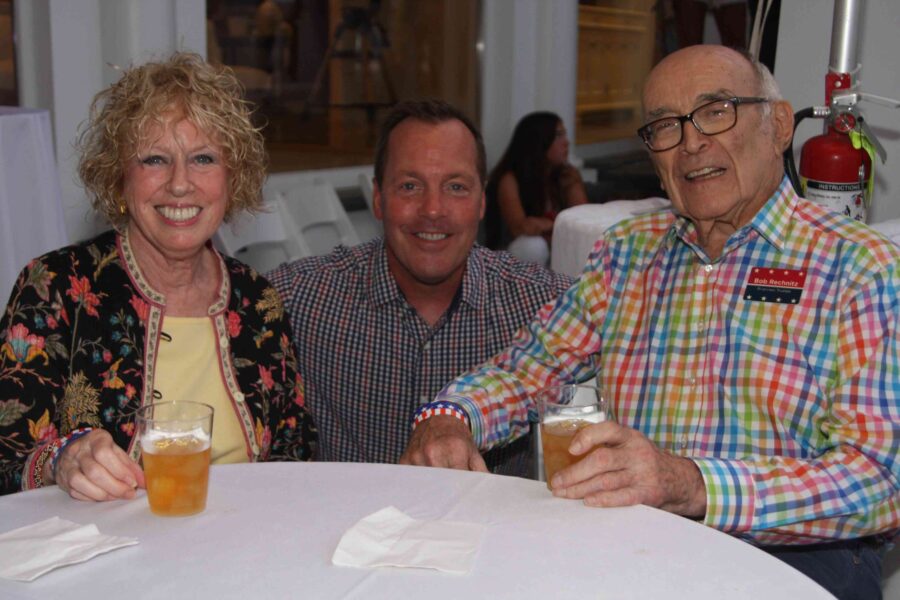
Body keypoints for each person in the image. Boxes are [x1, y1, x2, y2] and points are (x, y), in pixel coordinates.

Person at [401, 46, 899, 600]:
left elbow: (880, 481)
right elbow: (530, 369)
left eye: (717, 111)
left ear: (778, 125)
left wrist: (692, 486)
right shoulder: (627, 253)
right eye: (665, 125)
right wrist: (451, 415)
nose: (690, 142)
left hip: (795, 559)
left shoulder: (861, 268)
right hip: (632, 544)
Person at [0, 52, 316, 500]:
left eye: (203, 158)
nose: (180, 184)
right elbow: (3, 460)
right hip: (104, 553)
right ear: (119, 180)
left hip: (239, 546)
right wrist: (60, 460)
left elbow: (297, 456)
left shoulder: (257, 300)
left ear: (233, 179)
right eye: (154, 159)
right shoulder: (56, 286)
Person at [267, 99, 572, 476]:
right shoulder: (300, 298)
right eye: (410, 186)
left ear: (482, 201)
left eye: (456, 187)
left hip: (496, 533)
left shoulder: (548, 307)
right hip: (346, 531)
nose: (432, 209)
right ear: (379, 198)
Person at [484, 111, 587, 266]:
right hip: (510, 255)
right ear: (539, 141)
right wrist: (560, 226)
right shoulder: (510, 179)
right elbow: (521, 227)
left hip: (554, 245)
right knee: (532, 246)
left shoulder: (566, 175)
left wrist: (550, 225)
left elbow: (584, 218)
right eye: (558, 136)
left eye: (565, 135)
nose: (566, 142)